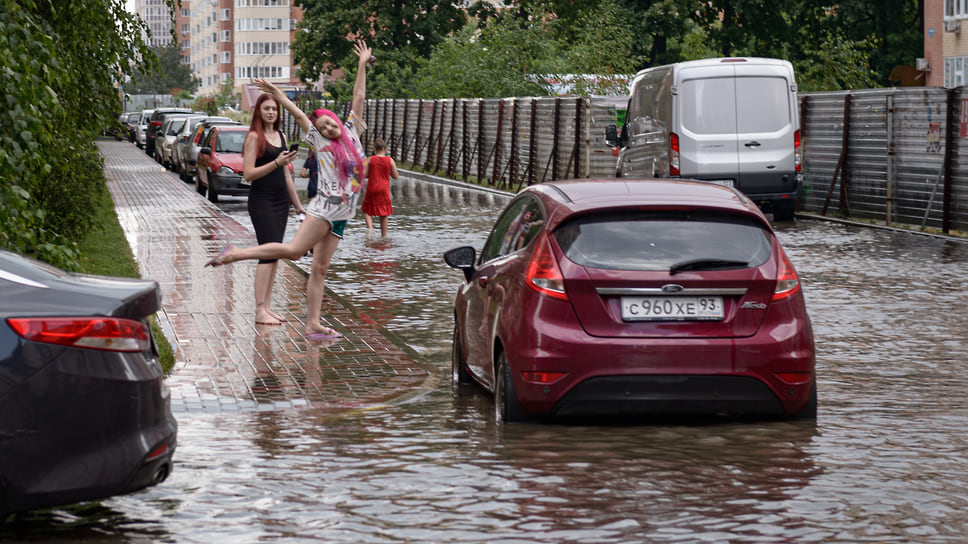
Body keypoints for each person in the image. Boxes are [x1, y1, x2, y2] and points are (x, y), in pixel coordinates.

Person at [205, 39, 373, 341]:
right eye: (322, 127)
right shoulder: (319, 142)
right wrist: (277, 93)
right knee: (295, 252)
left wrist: (361, 65)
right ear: (317, 132)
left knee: (320, 269)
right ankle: (236, 254)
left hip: (343, 215)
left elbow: (358, 96)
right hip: (323, 210)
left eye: (330, 124)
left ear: (338, 121)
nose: (329, 130)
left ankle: (313, 324)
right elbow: (296, 112)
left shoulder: (352, 131)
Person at [243, 92, 306, 326]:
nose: (271, 112)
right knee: (266, 254)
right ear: (259, 112)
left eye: (274, 109)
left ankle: (267, 307)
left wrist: (298, 206)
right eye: (266, 108)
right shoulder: (253, 137)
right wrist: (276, 162)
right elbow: (248, 174)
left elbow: (286, 174)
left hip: (281, 202)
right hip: (262, 201)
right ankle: (259, 310)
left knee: (275, 256)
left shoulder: (280, 135)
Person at [362, 137, 398, 237]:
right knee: (384, 214)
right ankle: (384, 236)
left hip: (372, 188)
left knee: (367, 210)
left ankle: (370, 229)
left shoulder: (370, 159)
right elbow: (395, 176)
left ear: (374, 149)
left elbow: (365, 175)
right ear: (386, 149)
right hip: (384, 190)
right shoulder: (390, 161)